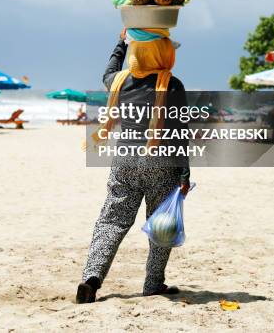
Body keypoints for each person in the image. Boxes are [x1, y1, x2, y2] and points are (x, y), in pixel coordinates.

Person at [76, 28, 190, 303]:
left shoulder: (119, 81)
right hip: (161, 162)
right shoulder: (172, 85)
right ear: (161, 52)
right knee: (161, 224)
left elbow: (107, 71)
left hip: (124, 161)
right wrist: (185, 173)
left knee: (112, 220)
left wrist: (121, 43)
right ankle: (153, 284)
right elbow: (180, 131)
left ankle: (91, 279)